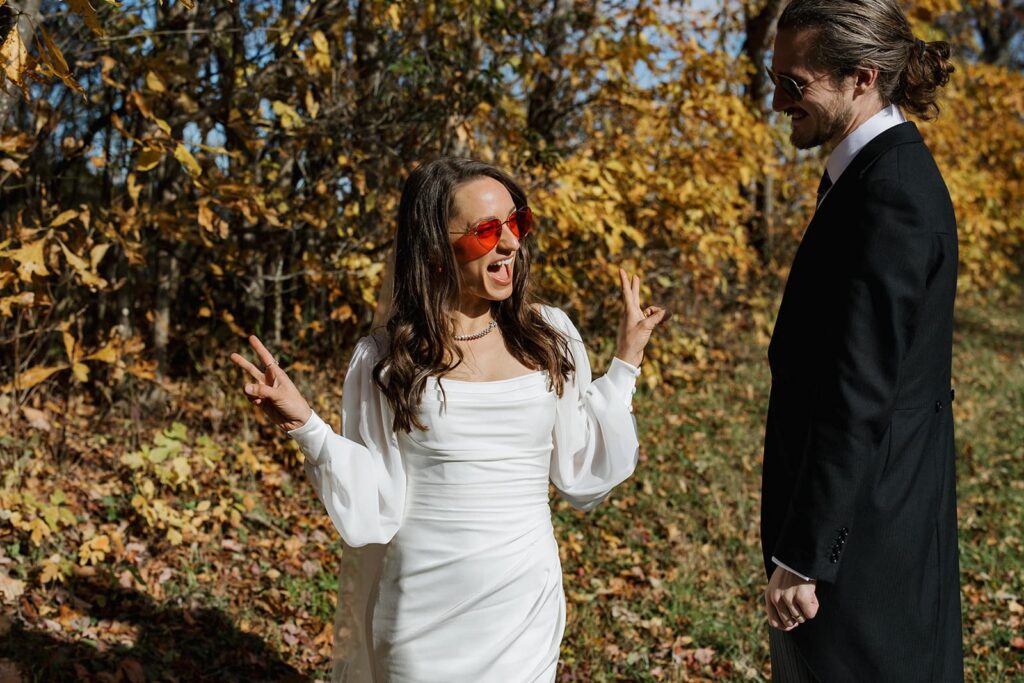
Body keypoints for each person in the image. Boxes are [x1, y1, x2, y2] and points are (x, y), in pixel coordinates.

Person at [230, 157, 667, 682]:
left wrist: (626, 362)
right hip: (422, 609)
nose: (510, 243)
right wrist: (306, 424)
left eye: (517, 222)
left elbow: (580, 466)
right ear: (435, 249)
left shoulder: (550, 334)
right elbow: (377, 498)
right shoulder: (387, 358)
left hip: (523, 602)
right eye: (486, 231)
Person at [759, 1, 962, 680]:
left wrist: (805, 555)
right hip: (866, 526)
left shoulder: (890, 194)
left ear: (862, 78)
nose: (778, 100)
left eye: (794, 83)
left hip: (868, 551)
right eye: (774, 79)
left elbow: (859, 390)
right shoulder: (869, 176)